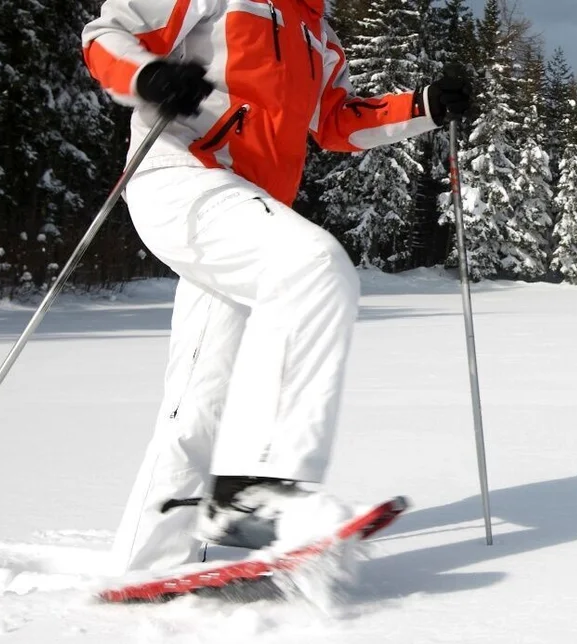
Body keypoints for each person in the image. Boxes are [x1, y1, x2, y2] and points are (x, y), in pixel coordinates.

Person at [80, 0, 474, 573]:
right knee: (315, 266)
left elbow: (335, 121)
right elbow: (107, 35)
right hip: (183, 174)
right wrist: (151, 75)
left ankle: (149, 564)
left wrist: (421, 107)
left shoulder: (319, 31)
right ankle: (256, 489)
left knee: (198, 401)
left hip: (248, 207)